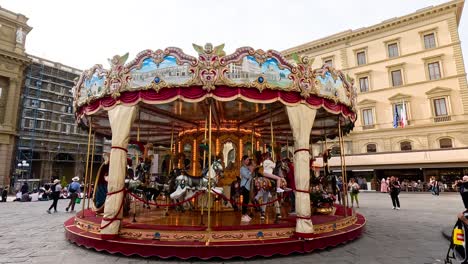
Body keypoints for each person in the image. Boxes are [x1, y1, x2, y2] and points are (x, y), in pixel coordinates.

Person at [240, 155, 254, 222]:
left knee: (246, 201)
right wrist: (250, 171)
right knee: (245, 201)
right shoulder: (242, 168)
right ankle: (243, 215)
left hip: (248, 187)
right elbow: (247, 176)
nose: (248, 161)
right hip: (244, 186)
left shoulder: (247, 168)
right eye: (247, 160)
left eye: (249, 160)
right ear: (244, 160)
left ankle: (245, 214)